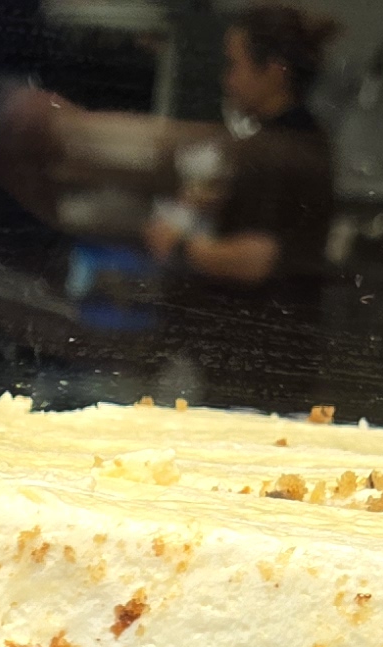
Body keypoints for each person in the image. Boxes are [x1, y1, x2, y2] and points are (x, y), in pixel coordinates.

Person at [146, 4, 335, 402]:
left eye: (235, 65)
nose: (227, 79)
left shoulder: (270, 153)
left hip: (252, 365)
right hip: (274, 358)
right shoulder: (309, 141)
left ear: (275, 72)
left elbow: (257, 258)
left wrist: (177, 244)